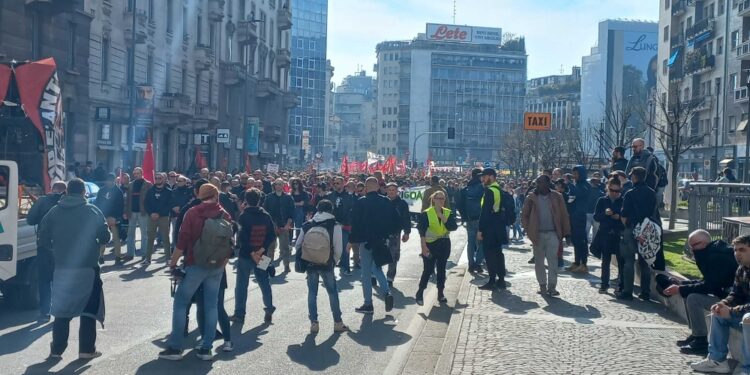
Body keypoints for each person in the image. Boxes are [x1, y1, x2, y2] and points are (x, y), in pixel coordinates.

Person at [160, 183, 232, 361]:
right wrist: (222, 263)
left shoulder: (192, 212)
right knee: (211, 305)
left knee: (181, 303)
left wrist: (173, 262)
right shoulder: (224, 214)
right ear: (216, 196)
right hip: (217, 266)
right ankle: (206, 348)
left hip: (195, 263)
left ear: (200, 195)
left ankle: (176, 348)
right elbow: (230, 243)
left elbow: (182, 241)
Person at [39, 178, 110, 360]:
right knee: (88, 309)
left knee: (61, 311)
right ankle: (86, 350)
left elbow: (43, 236)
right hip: (87, 267)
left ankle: (56, 350)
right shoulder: (92, 210)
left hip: (62, 268)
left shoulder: (54, 212)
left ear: (66, 192)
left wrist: (55, 252)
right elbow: (104, 236)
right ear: (83, 192)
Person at [657, 230, 737, 356]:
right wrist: (682, 284)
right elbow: (707, 280)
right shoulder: (712, 252)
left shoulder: (717, 257)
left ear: (705, 242)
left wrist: (680, 289)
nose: (692, 249)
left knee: (694, 298)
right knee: (689, 293)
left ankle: (701, 340)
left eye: (695, 245)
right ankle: (696, 335)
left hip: (732, 301)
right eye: (690, 246)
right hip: (724, 295)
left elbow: (710, 286)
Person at [690, 234, 750, 375]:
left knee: (747, 318)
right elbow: (735, 294)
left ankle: (747, 369)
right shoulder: (741, 269)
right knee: (718, 314)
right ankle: (717, 361)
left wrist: (732, 311)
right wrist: (722, 304)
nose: (737, 254)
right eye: (735, 250)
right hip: (744, 311)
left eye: (742, 250)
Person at [295, 199, 350, 333]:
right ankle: (338, 322)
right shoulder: (335, 225)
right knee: (332, 292)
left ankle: (314, 322)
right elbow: (338, 248)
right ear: (331, 210)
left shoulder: (308, 224)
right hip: (327, 263)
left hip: (310, 262)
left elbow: (297, 245)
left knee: (312, 293)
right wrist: (334, 261)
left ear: (318, 209)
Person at [350, 177, 401, 314]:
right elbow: (396, 221)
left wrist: (351, 240)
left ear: (366, 188)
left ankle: (368, 304)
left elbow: (355, 223)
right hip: (381, 241)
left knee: (366, 273)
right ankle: (386, 292)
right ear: (378, 187)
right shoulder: (386, 201)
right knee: (377, 267)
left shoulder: (361, 202)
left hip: (366, 241)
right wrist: (388, 234)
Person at [232, 188, 277, 325]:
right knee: (264, 282)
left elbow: (242, 237)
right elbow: (272, 234)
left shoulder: (243, 216)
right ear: (259, 200)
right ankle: (269, 308)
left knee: (241, 285)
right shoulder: (266, 215)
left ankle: (240, 314)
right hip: (262, 255)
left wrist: (252, 252)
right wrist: (260, 250)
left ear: (246, 200)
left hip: (246, 255)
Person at [521, 175, 570, 297]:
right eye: (537, 183)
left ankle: (552, 287)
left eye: (541, 183)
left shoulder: (557, 197)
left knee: (553, 260)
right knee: (539, 261)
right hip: (537, 234)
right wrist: (528, 229)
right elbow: (524, 215)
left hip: (553, 233)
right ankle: (542, 285)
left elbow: (564, 214)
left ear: (548, 184)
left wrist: (567, 232)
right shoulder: (531, 197)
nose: (539, 185)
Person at [26, 180, 66, 321]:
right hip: (63, 247)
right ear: (64, 190)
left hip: (44, 245)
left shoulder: (43, 201)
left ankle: (45, 312)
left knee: (44, 280)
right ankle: (59, 311)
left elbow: (30, 220)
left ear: (52, 189)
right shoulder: (68, 203)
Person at [618, 166, 658, 300]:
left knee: (629, 260)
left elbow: (623, 215)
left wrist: (628, 227)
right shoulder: (652, 193)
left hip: (632, 228)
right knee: (645, 262)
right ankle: (645, 292)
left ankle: (627, 292)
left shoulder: (629, 193)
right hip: (647, 230)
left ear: (634, 177)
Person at [416, 190, 458, 305]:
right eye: (438, 198)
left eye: (443, 199)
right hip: (430, 244)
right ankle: (420, 291)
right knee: (428, 270)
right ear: (433, 199)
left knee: (441, 269)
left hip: (444, 243)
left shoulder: (448, 212)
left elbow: (453, 227)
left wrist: (442, 216)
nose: (441, 201)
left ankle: (440, 293)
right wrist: (423, 247)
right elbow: (422, 231)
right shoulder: (426, 213)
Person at [477, 168, 515, 290]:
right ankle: (501, 279)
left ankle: (492, 280)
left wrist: (480, 230)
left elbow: (485, 213)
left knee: (490, 254)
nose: (482, 179)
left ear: (491, 177)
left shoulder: (490, 191)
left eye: (484, 176)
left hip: (490, 228)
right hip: (499, 226)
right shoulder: (499, 189)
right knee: (498, 254)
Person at [593, 178, 624, 294]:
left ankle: (620, 285)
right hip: (605, 234)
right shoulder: (602, 200)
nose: (615, 193)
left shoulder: (623, 201)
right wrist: (604, 214)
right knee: (605, 261)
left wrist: (619, 217)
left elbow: (627, 217)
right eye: (612, 190)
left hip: (618, 234)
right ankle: (604, 284)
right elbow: (596, 217)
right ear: (608, 188)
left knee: (621, 261)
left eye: (617, 191)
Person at [456, 168, 485, 273]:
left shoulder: (465, 189)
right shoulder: (483, 188)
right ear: (479, 176)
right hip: (481, 219)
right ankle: (478, 263)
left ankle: (471, 264)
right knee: (482, 242)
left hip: (469, 219)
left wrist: (464, 217)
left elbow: (459, 204)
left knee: (471, 242)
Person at [326, 176, 356, 275]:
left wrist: (343, 223)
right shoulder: (330, 196)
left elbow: (351, 211)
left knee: (345, 247)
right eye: (334, 183)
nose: (335, 185)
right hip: (332, 225)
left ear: (343, 184)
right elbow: (328, 210)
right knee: (331, 248)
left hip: (344, 226)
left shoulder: (349, 196)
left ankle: (346, 267)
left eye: (338, 183)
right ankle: (329, 268)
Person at [264, 178, 295, 273]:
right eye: (276, 184)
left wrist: (287, 225)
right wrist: (271, 225)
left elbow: (292, 213)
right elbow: (265, 212)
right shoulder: (268, 197)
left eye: (280, 184)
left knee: (285, 248)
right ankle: (263, 267)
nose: (278, 186)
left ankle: (286, 266)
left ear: (283, 185)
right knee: (268, 247)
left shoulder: (288, 198)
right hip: (271, 226)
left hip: (284, 226)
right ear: (274, 186)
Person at [566, 165, 592, 274]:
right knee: (575, 240)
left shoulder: (585, 185)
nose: (574, 176)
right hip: (573, 215)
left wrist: (571, 187)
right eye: (573, 173)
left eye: (576, 173)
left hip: (580, 215)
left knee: (582, 240)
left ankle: (584, 264)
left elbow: (579, 194)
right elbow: (570, 197)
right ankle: (577, 262)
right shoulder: (576, 184)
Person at [94, 174, 125, 265]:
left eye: (111, 180)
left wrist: (115, 217)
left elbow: (120, 206)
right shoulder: (102, 190)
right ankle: (101, 257)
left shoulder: (118, 191)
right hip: (103, 217)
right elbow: (98, 203)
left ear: (114, 180)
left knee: (116, 238)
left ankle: (118, 257)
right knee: (102, 238)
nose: (109, 182)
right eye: (108, 180)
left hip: (114, 218)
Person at [143, 172, 173, 265]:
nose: (157, 180)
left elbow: (169, 205)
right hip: (151, 217)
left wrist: (159, 214)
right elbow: (146, 203)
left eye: (159, 178)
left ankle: (168, 259)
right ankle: (147, 259)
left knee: (165, 238)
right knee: (150, 238)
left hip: (163, 217)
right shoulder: (150, 190)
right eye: (156, 178)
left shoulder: (168, 191)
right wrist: (151, 213)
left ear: (163, 179)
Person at [386, 182, 412, 287]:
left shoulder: (402, 203)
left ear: (397, 191)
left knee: (393, 256)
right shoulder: (382, 201)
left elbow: (406, 219)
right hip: (382, 233)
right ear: (387, 190)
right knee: (378, 254)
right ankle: (374, 275)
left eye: (393, 190)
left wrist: (407, 232)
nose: (391, 192)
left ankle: (390, 278)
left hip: (395, 233)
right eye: (389, 189)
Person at [125, 167, 153, 259]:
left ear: (142, 173)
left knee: (144, 234)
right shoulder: (131, 184)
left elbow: (150, 198)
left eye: (138, 173)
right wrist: (125, 211)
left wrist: (149, 210)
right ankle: (130, 254)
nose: (136, 175)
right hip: (132, 211)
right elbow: (127, 199)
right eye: (135, 173)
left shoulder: (148, 184)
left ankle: (144, 254)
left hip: (143, 212)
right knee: (130, 234)